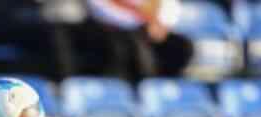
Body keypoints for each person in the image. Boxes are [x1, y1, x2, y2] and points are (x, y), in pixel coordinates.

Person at [62, 0, 194, 81]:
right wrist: (139, 19)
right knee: (123, 46)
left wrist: (159, 23)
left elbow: (168, 7)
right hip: (115, 29)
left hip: (149, 29)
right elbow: (100, 8)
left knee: (182, 47)